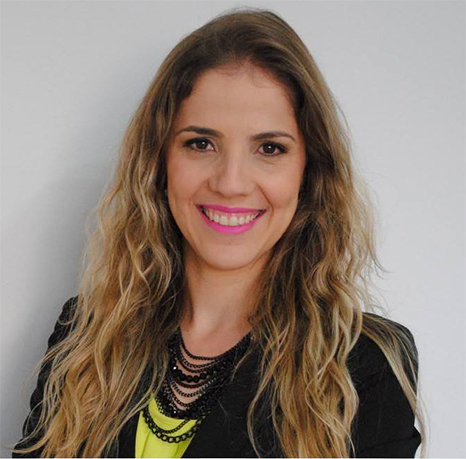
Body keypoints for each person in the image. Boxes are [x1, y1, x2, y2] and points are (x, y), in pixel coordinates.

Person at [10, 6, 426, 458]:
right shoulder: (85, 335)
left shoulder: (364, 365)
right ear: (159, 162)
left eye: (270, 148)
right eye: (201, 143)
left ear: (310, 171)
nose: (230, 183)